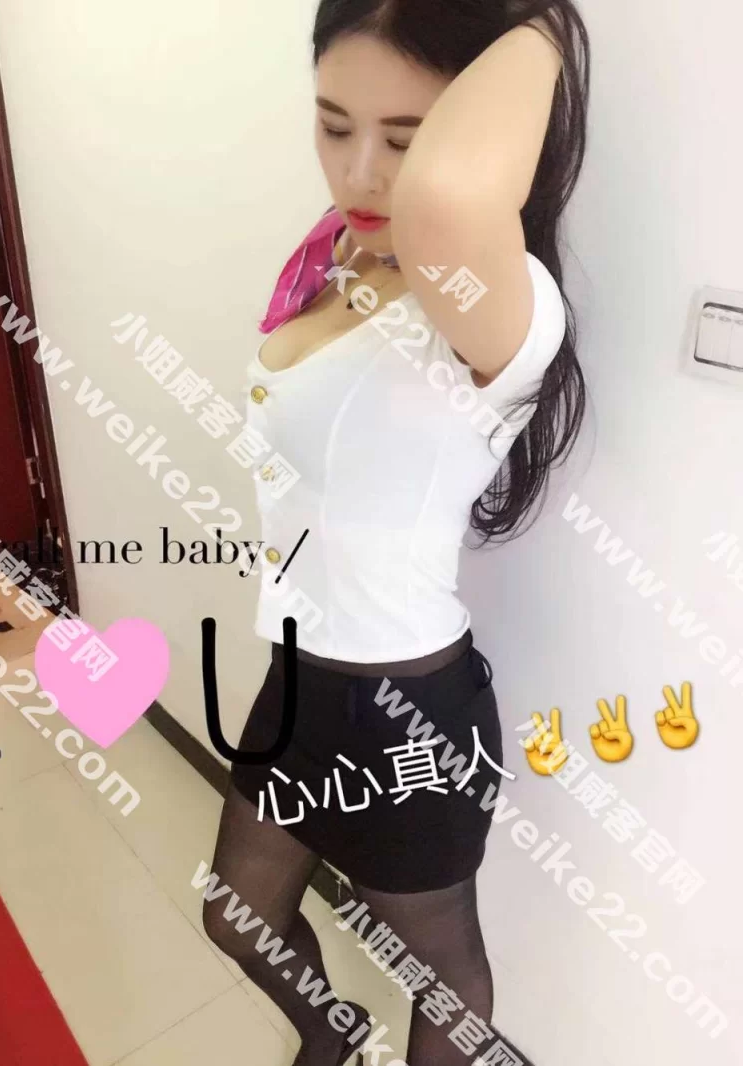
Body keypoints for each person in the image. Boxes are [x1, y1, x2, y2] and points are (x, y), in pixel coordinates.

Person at [203, 1, 589, 1063]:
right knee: (237, 914)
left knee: (443, 971)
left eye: (406, 138)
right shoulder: (332, 259)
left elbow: (447, 203)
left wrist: (546, 24)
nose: (360, 173)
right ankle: (330, 1039)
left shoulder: (493, 306)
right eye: (334, 125)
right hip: (296, 678)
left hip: (404, 706)